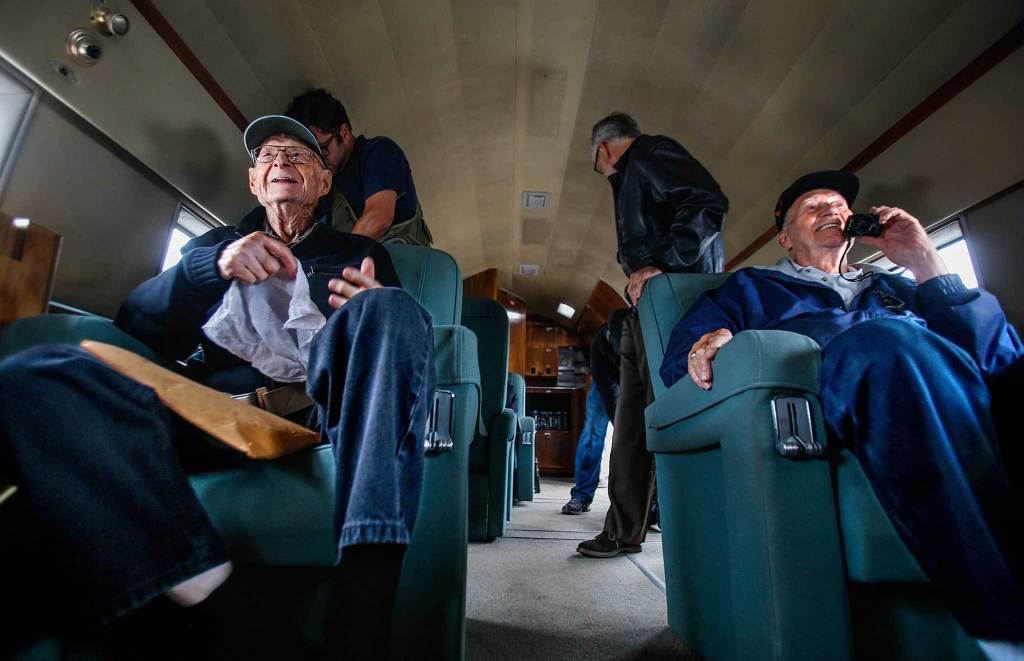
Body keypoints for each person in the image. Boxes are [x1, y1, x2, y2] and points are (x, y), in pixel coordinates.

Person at [0, 115, 435, 658]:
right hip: (213, 409)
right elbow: (137, 326)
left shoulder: (355, 252)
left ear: (324, 182)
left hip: (317, 411)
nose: (282, 164)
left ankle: (363, 600)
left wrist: (366, 305)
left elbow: (393, 351)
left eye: (300, 156)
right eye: (270, 157)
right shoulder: (216, 245)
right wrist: (213, 267)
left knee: (390, 309)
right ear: (254, 181)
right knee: (34, 375)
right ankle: (216, 600)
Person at [660, 170, 1023, 658]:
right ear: (785, 237)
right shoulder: (751, 288)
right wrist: (720, 344)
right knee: (888, 342)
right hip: (845, 394)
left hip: (951, 391)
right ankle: (1001, 624)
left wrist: (924, 261)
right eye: (814, 206)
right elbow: (683, 357)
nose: (833, 209)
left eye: (839, 205)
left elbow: (998, 358)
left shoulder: (898, 287)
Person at [577, 112, 729, 558]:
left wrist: (659, 263)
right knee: (631, 421)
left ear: (602, 149)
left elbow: (706, 202)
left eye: (595, 160)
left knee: (665, 416)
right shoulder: (634, 174)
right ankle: (624, 529)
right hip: (649, 309)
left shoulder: (651, 153)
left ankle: (690, 528)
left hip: (675, 306)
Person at [285, 88, 432, 246]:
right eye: (312, 155)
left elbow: (379, 218)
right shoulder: (326, 186)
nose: (319, 161)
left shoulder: (378, 152)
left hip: (406, 261)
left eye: (323, 150)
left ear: (344, 132)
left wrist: (340, 262)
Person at [562, 309, 624, 515]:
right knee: (593, 433)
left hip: (636, 379)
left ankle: (652, 503)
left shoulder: (644, 334)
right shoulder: (599, 347)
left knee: (645, 435)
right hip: (604, 383)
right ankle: (581, 495)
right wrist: (621, 424)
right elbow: (610, 393)